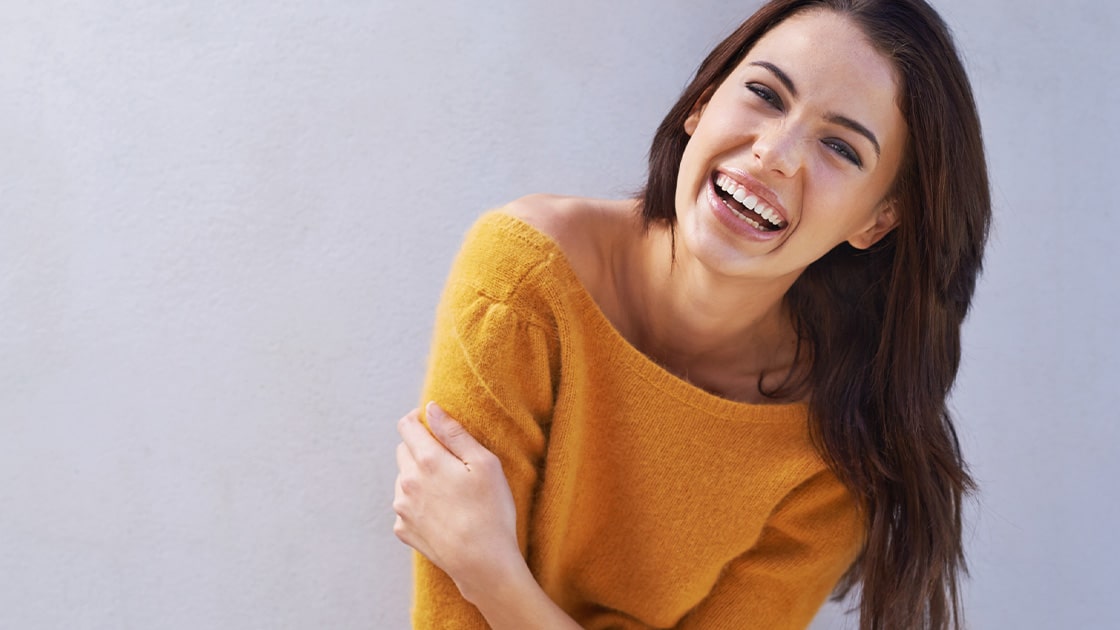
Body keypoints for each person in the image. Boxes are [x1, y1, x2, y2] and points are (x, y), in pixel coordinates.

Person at [392, 0, 990, 628]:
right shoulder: (525, 283)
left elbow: (469, 572)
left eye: (840, 146)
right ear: (702, 100)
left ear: (876, 220)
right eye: (765, 93)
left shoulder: (833, 450)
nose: (774, 154)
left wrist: (492, 573)